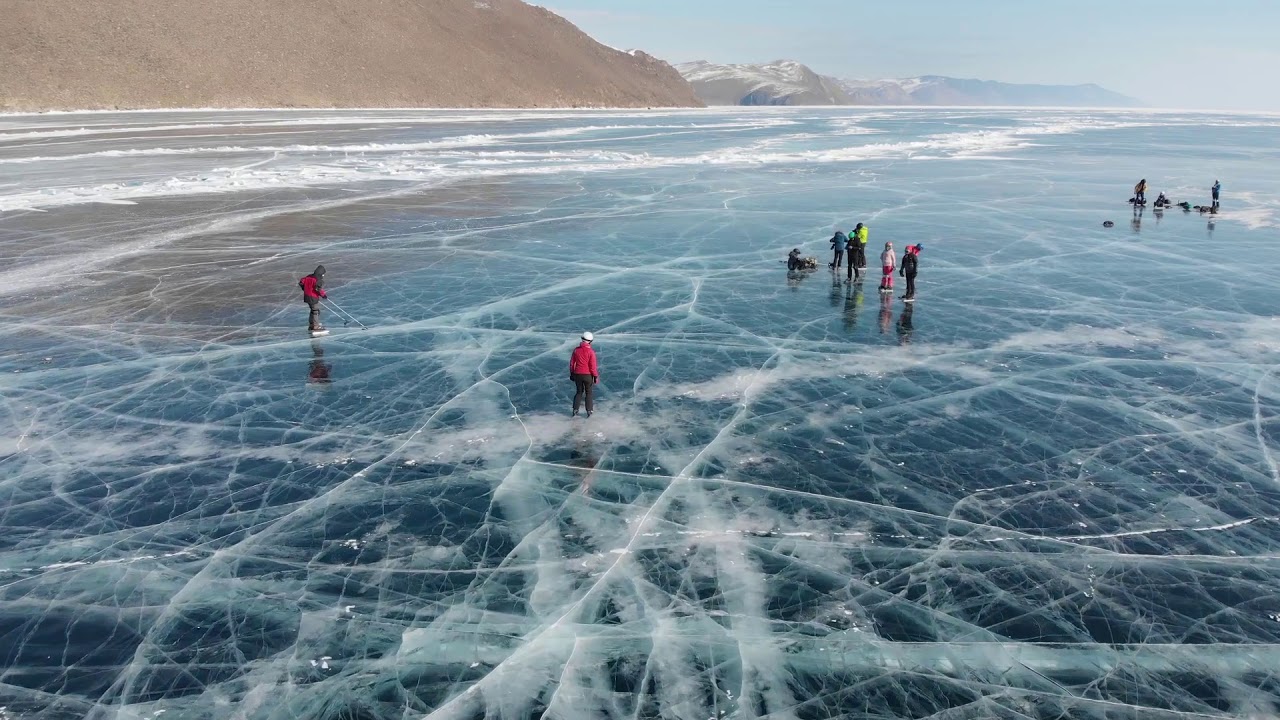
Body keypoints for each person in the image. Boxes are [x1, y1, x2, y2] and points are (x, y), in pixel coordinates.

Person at [569, 332, 599, 417]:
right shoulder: (591, 352)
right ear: (590, 341)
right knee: (588, 393)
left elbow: (572, 363)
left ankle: (575, 410)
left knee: (579, 392)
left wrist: (572, 373)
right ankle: (589, 411)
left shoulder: (576, 350)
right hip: (588, 375)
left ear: (582, 339)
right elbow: (592, 366)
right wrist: (595, 376)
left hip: (577, 374)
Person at [298, 265, 328, 333]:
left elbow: (301, 282)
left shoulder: (309, 276)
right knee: (315, 311)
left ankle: (312, 324)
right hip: (313, 297)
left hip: (307, 296)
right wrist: (323, 295)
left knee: (313, 310)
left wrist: (304, 288)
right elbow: (318, 289)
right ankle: (316, 326)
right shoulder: (318, 280)